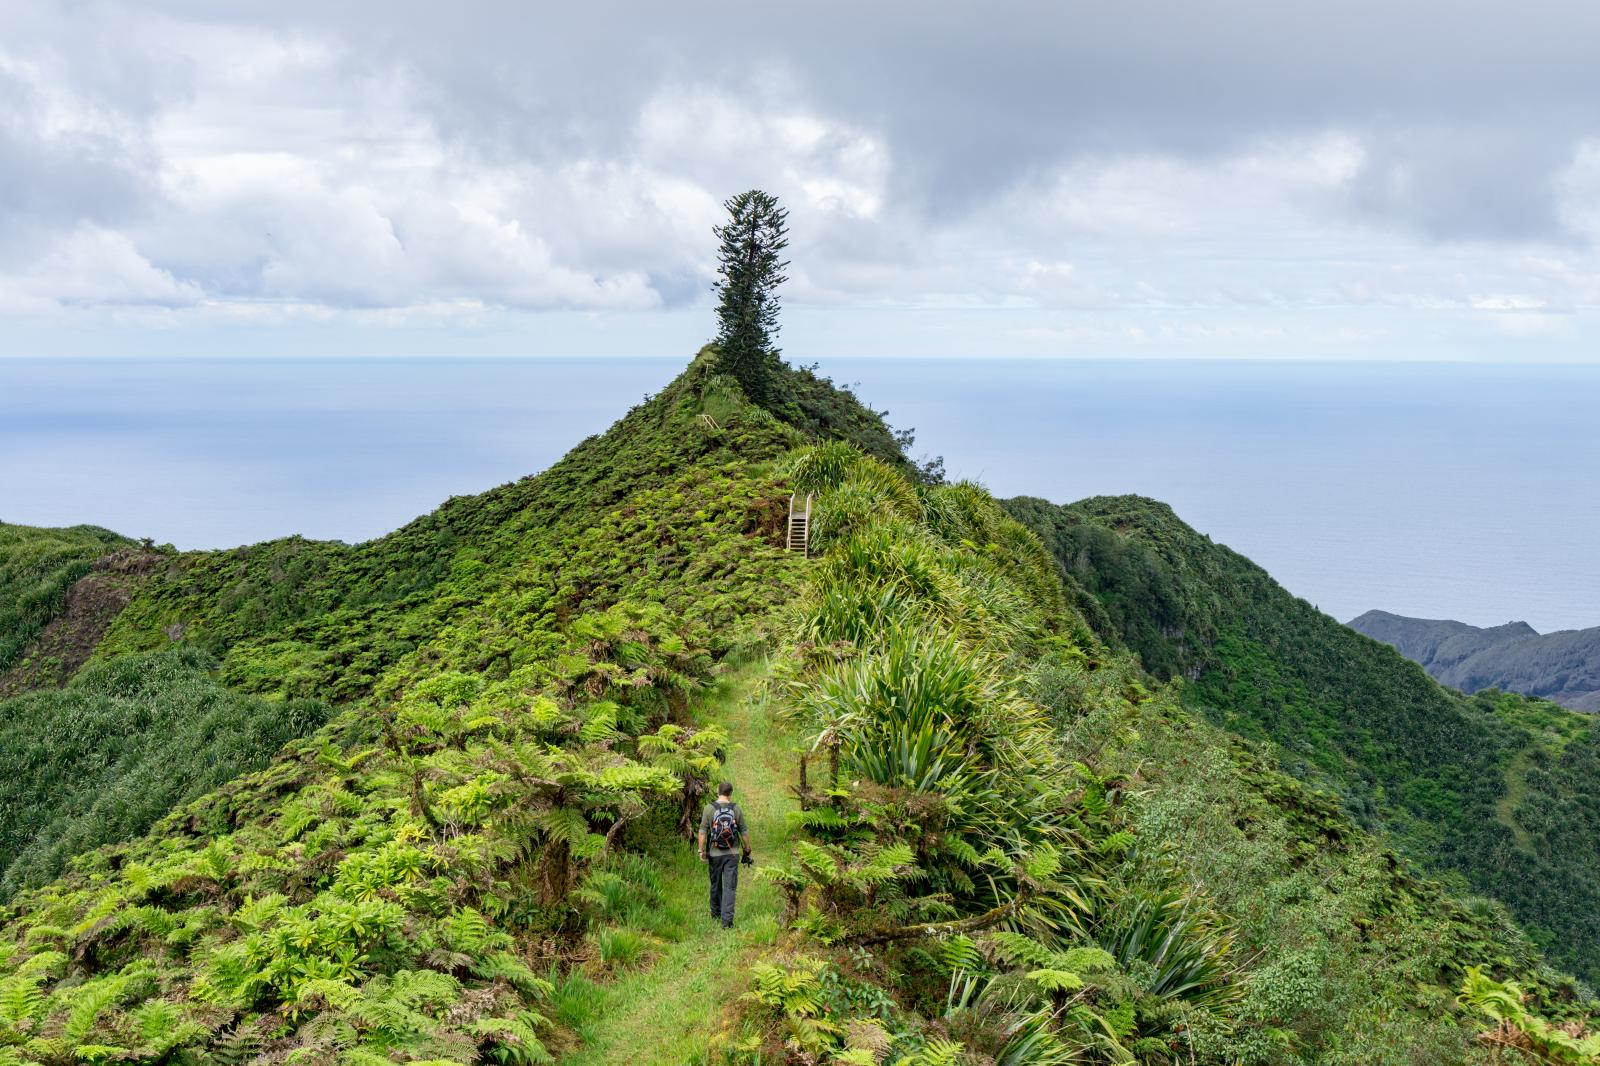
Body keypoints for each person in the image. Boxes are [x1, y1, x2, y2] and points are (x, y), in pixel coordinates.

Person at [698, 780, 751, 929]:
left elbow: (702, 831)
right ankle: (727, 922)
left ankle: (715, 913)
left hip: (714, 854)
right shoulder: (736, 809)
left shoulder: (708, 809)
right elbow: (744, 831)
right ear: (730, 794)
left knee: (716, 884)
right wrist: (747, 848)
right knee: (730, 887)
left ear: (718, 792)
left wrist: (701, 850)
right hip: (732, 854)